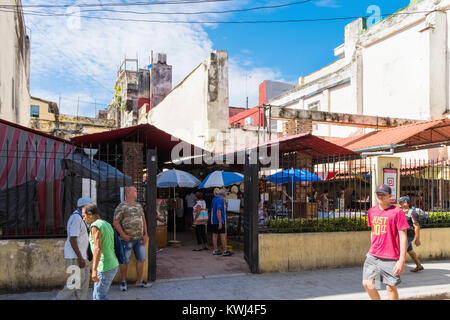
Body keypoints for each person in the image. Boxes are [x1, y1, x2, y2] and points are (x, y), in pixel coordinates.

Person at [362, 184, 410, 300]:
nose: (380, 196)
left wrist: (402, 260)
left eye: (383, 194)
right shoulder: (371, 211)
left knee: (391, 287)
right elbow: (373, 231)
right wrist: (372, 247)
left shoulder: (397, 212)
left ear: (390, 196)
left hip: (391, 256)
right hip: (373, 255)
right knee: (367, 283)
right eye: (378, 194)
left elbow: (403, 236)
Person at [113, 186, 152, 292]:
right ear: (128, 192)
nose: (136, 192)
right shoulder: (121, 207)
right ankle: (123, 281)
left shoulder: (138, 206)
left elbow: (143, 220)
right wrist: (123, 235)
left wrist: (145, 234)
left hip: (140, 239)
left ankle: (139, 281)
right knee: (124, 260)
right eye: (134, 190)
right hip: (127, 239)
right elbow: (116, 223)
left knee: (141, 259)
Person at [56, 197, 92, 300]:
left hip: (82, 255)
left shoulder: (82, 218)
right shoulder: (76, 218)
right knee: (75, 282)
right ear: (83, 207)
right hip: (75, 256)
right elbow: (73, 239)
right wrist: (80, 258)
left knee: (84, 282)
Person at [82, 203, 118, 300]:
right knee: (97, 295)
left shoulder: (95, 226)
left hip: (105, 266)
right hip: (111, 263)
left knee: (99, 297)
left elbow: (98, 248)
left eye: (84, 216)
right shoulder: (106, 224)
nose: (83, 219)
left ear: (90, 214)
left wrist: (94, 270)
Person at [398, 196, 424, 272]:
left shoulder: (412, 213)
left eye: (401, 202)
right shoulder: (400, 211)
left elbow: (416, 226)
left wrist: (417, 239)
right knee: (410, 251)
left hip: (408, 235)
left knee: (400, 251)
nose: (399, 203)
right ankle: (419, 265)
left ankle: (397, 268)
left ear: (406, 203)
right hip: (402, 235)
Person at [211, 189, 232, 256]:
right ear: (223, 195)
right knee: (223, 235)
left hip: (213, 220)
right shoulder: (220, 200)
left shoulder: (214, 199)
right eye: (226, 194)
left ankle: (215, 250)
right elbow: (218, 211)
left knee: (214, 235)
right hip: (219, 220)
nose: (226, 196)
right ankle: (225, 251)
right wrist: (220, 222)